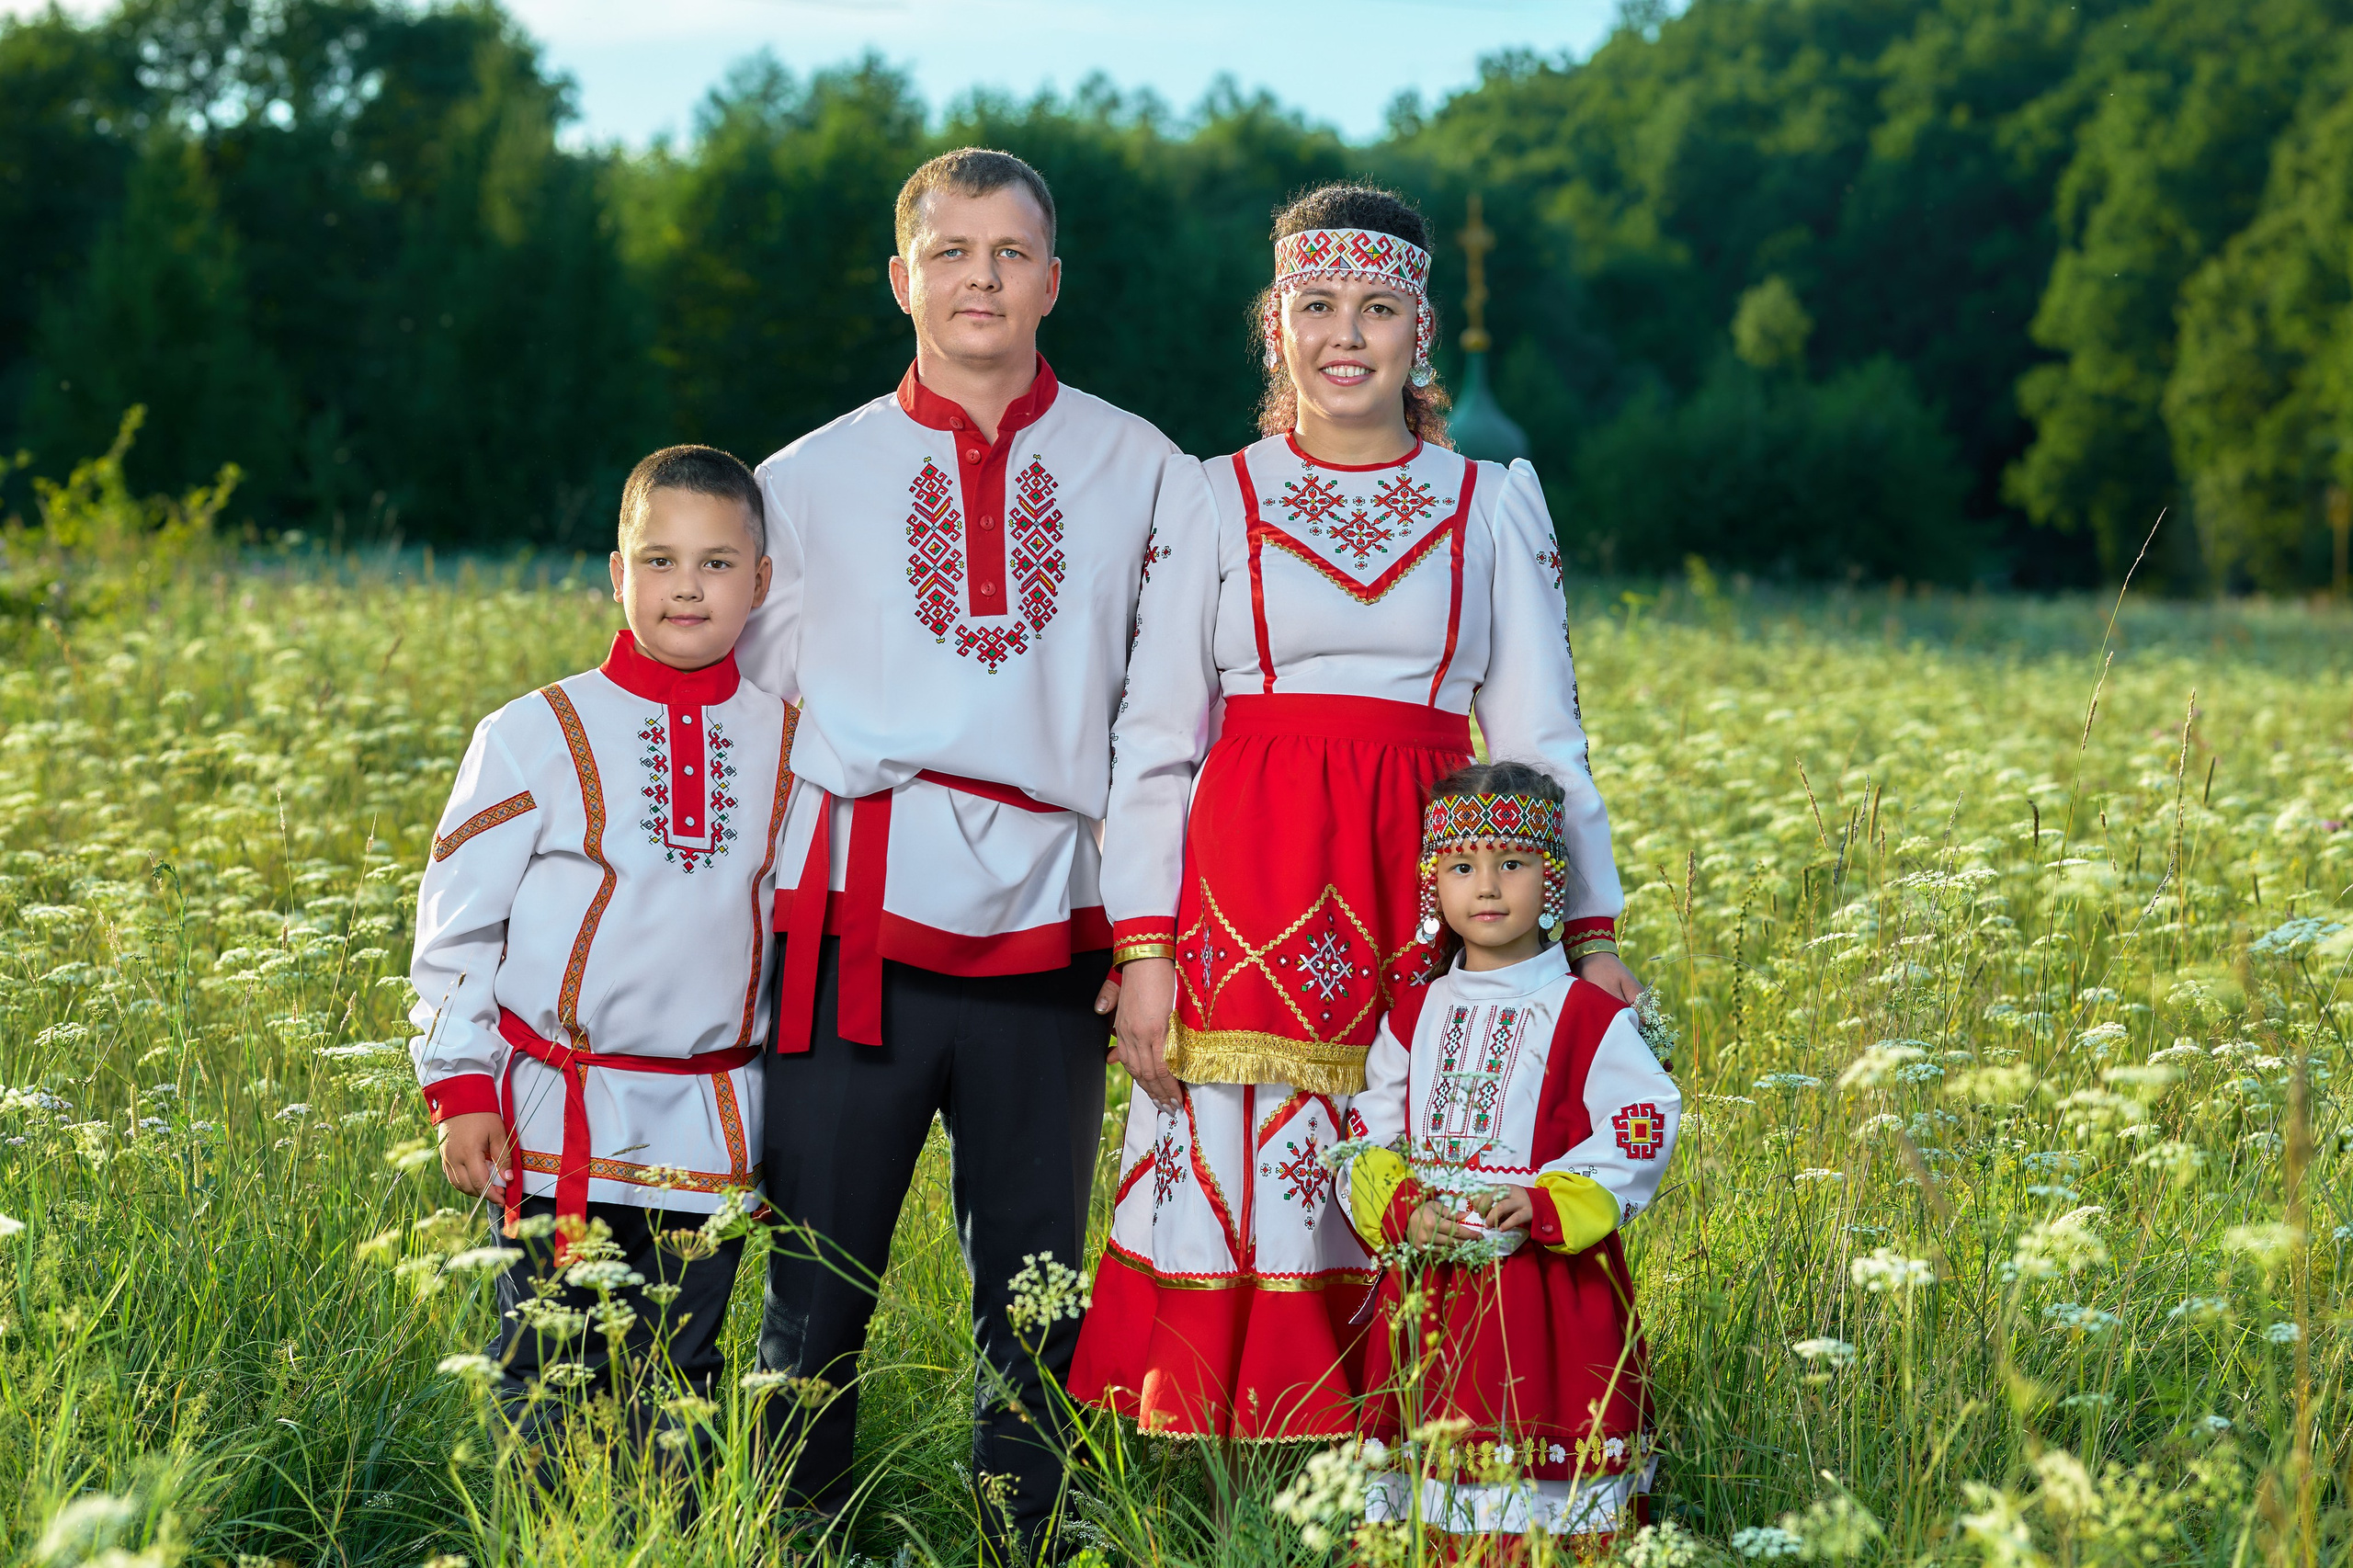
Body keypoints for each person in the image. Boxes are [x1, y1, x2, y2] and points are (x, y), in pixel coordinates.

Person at [1069, 185, 1642, 1444]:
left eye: (1378, 307)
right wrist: (1146, 950)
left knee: (1438, 1141)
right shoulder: (1213, 496)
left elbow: (1544, 743)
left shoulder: (1489, 502)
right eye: (1317, 306)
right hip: (1246, 890)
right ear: (1273, 326)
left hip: (1433, 887)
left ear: (1419, 331)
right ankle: (1249, 1486)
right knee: (1254, 1174)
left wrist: (1592, 932)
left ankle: (1425, 1457)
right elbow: (1156, 744)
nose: (1347, 334)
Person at [733, 147, 1180, 1560]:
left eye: (1008, 252)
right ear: (900, 278)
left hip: (1054, 934)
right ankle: (790, 1538)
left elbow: (1174, 716)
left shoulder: (1144, 467)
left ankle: (1026, 1543)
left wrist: (1153, 933)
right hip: (854, 932)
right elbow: (747, 712)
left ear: (1053, 279)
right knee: (814, 1290)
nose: (978, 276)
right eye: (948, 251)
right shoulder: (803, 480)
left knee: (1038, 1297)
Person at [408, 444, 792, 1435]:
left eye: (716, 562)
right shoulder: (533, 730)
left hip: (709, 1117)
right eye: (658, 560)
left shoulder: (795, 741)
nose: (686, 587)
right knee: (545, 1368)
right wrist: (458, 1085)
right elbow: (460, 925)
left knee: (682, 1375)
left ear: (761, 578)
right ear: (617, 573)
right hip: (555, 1113)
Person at [1340, 761, 1679, 1554]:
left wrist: (1551, 1200)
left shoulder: (1586, 1013)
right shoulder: (1417, 1010)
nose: (1487, 888)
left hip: (1548, 1294)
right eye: (1463, 867)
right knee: (1432, 1490)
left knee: (1540, 1487)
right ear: (1437, 885)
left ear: (1551, 879)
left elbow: (1645, 1120)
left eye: (1512, 864)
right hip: (1433, 1288)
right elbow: (1370, 1133)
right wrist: (1403, 1210)